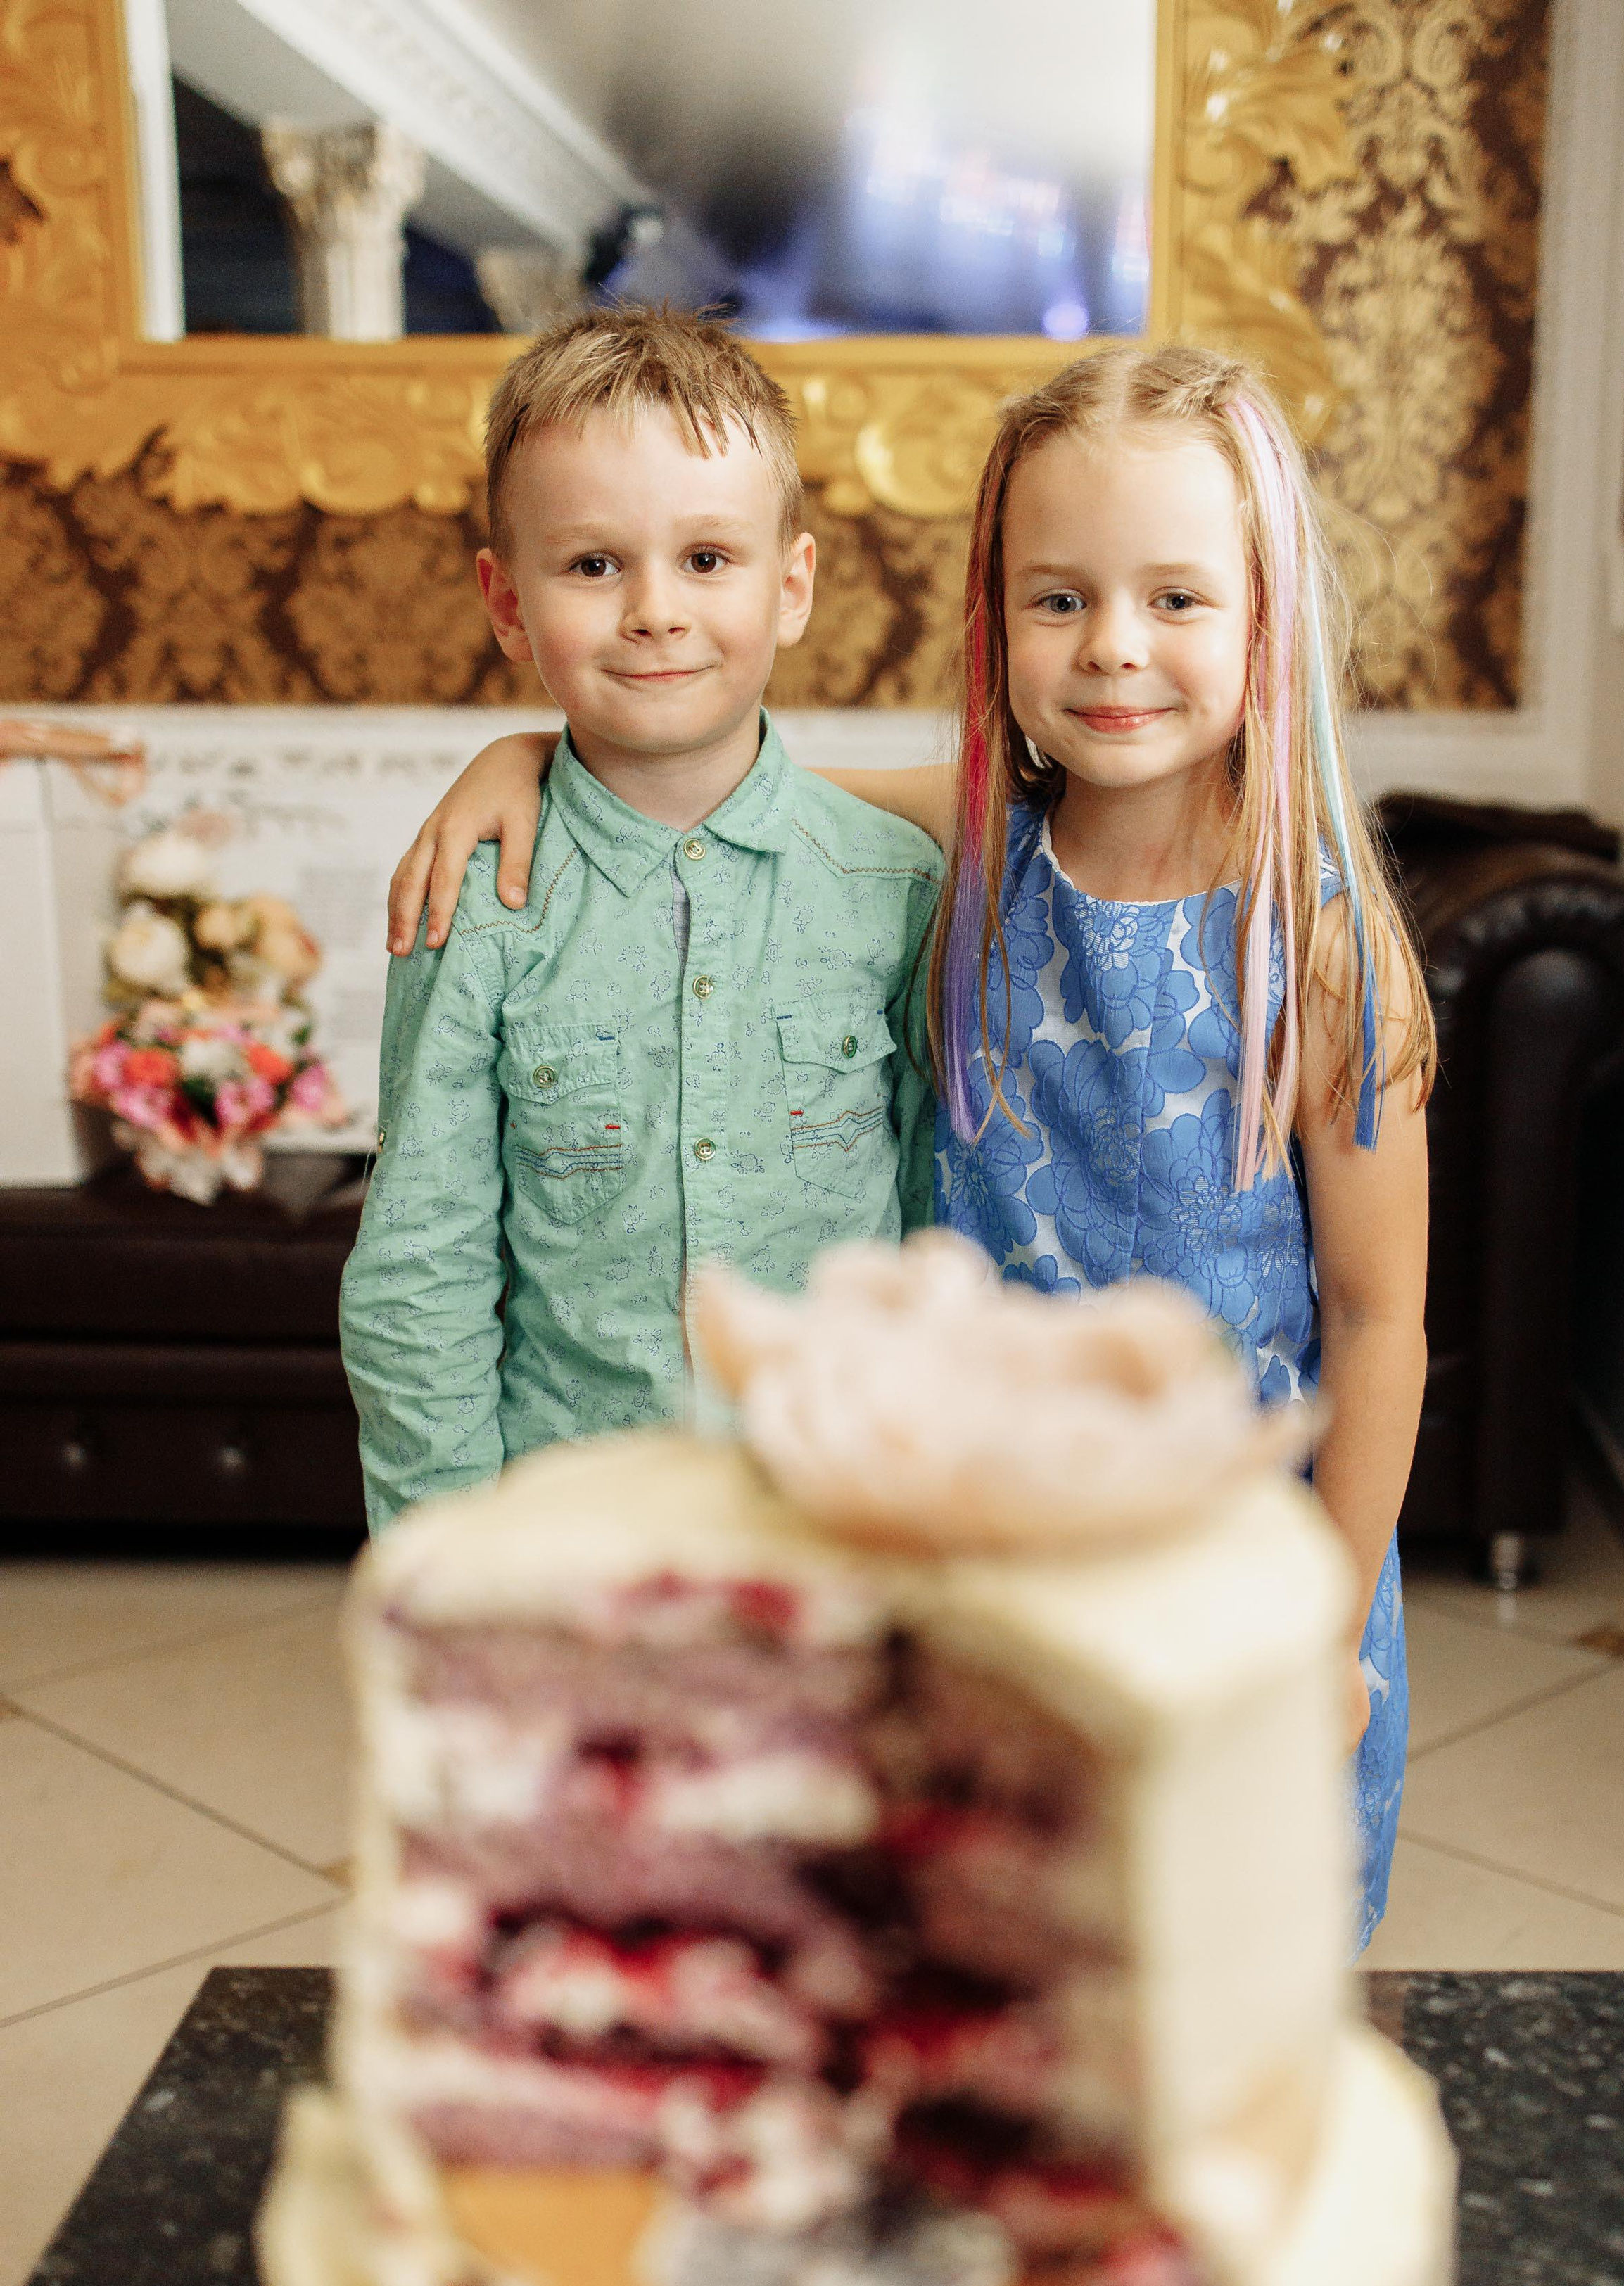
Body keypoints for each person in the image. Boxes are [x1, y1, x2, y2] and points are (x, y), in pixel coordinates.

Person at [385, 344, 1433, 1952]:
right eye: (1057, 599)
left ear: (1267, 613)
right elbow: (707, 788)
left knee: (1220, 1982)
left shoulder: (1314, 940)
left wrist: (1324, 1629)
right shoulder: (958, 857)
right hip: (974, 1572)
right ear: (994, 618)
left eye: (1175, 598)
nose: (1113, 652)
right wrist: (516, 755)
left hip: (1232, 1580)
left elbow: (1378, 1323)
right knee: (988, 1974)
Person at [344, 307, 941, 1532]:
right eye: (594, 565)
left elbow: (942, 1229)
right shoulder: (479, 906)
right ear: (509, 606)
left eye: (708, 560)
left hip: (843, 1519)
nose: (656, 612)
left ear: (793, 587)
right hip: (577, 1528)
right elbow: (421, 1271)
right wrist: (451, 1564)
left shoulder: (897, 889)